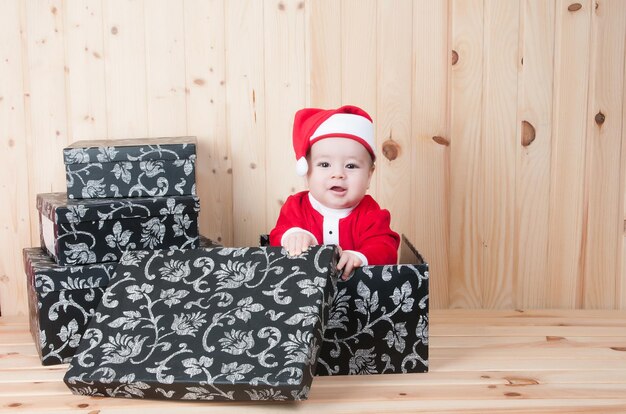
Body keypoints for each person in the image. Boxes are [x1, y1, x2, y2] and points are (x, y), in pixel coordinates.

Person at [269, 105, 400, 279]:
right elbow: (277, 235)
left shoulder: (371, 213)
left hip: (356, 300)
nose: (338, 174)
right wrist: (294, 235)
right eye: (324, 165)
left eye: (351, 166)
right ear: (307, 173)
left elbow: (386, 248)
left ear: (369, 176)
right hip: (303, 298)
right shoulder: (296, 206)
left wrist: (359, 257)